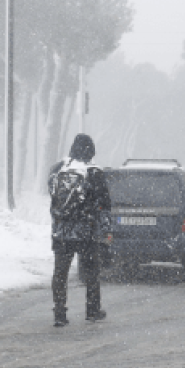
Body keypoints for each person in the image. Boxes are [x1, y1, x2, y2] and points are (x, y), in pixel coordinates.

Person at [47, 133, 111, 327]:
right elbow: (104, 206)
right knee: (91, 271)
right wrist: (106, 233)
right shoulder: (94, 173)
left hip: (62, 231)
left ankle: (59, 312)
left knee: (60, 272)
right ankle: (92, 310)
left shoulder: (58, 169)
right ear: (90, 152)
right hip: (86, 231)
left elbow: (53, 198)